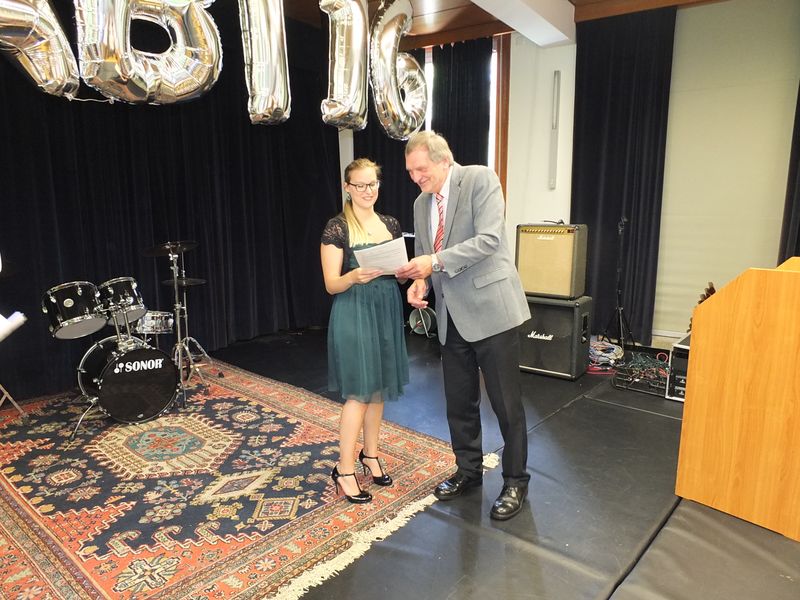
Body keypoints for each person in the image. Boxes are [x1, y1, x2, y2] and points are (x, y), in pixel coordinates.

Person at [395, 131, 531, 521]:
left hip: (492, 312)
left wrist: (433, 264)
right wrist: (420, 283)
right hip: (451, 316)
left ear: (444, 160)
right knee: (459, 403)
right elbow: (426, 255)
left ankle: (516, 480)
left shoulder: (480, 179)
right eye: (410, 172)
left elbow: (489, 240)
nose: (416, 178)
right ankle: (468, 471)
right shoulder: (420, 203)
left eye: (421, 169)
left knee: (506, 405)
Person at [321, 158, 409, 504]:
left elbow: (398, 272)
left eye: (373, 184)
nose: (367, 191)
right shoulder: (338, 227)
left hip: (386, 308)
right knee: (359, 392)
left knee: (379, 388)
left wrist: (403, 273)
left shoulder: (390, 224)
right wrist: (353, 276)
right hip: (354, 310)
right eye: (360, 185)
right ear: (348, 187)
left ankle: (370, 455)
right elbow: (331, 284)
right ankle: (344, 470)